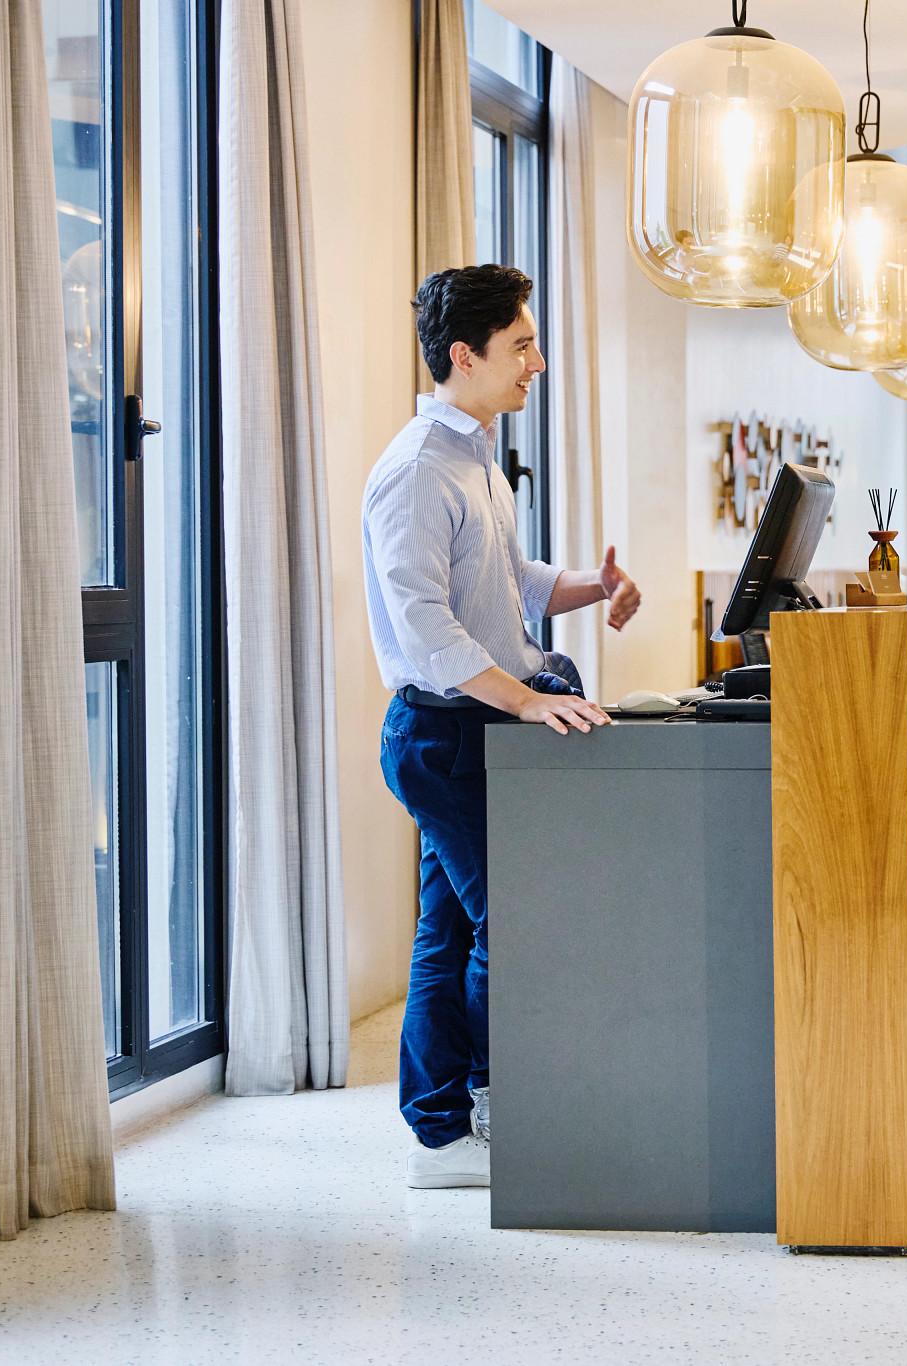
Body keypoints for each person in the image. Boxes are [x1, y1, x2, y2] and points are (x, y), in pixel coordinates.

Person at [363, 264, 643, 1190]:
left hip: (474, 721)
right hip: (443, 734)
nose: (540, 362)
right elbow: (428, 630)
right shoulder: (412, 471)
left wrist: (592, 587)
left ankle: (440, 1135)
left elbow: (508, 586)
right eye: (521, 346)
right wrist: (527, 699)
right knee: (507, 924)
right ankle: (481, 1112)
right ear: (463, 355)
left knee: (450, 934)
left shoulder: (474, 452)